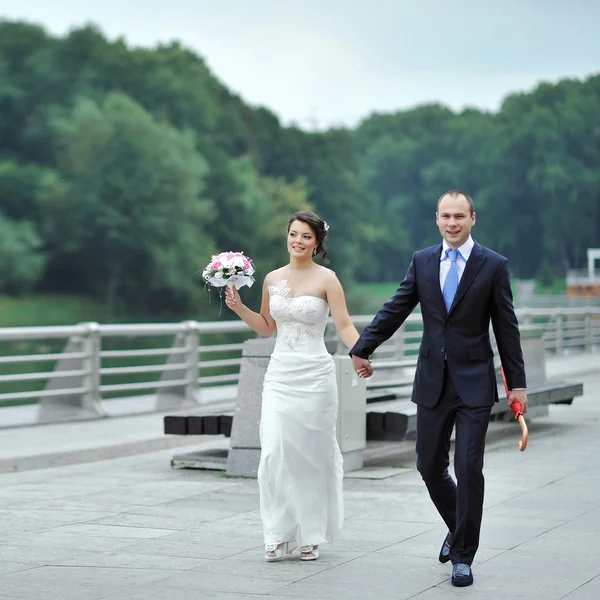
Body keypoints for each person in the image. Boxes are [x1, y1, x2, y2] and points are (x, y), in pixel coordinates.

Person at [350, 190, 528, 587]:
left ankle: (463, 555)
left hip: (475, 385)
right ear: (436, 219)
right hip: (431, 381)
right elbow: (396, 307)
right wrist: (362, 348)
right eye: (446, 216)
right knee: (429, 466)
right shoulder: (423, 261)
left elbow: (507, 328)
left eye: (459, 216)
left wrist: (517, 385)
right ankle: (457, 525)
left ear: (472, 218)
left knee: (468, 466)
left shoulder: (493, 265)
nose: (452, 223)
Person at [225, 210, 370, 562]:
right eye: (293, 234)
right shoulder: (272, 279)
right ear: (286, 237)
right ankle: (276, 532)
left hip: (316, 376)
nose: (298, 241)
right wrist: (239, 307)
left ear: (317, 242)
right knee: (274, 452)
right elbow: (266, 327)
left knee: (310, 456)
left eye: (306, 236)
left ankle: (309, 534)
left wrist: (360, 352)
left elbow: (345, 324)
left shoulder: (327, 279)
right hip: (280, 375)